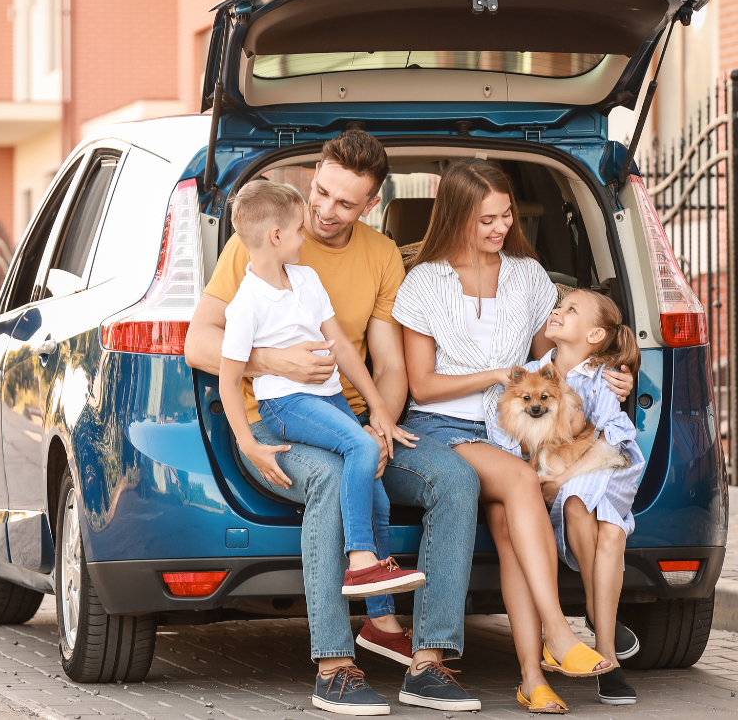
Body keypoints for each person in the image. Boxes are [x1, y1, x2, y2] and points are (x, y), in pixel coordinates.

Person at [185, 131, 483, 716]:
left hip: (350, 417)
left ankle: (428, 660)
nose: (324, 211)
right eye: (320, 192)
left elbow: (390, 363)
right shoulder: (262, 242)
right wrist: (273, 361)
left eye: (344, 203)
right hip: (278, 426)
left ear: (370, 205)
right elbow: (198, 342)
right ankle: (334, 666)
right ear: (314, 173)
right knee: (329, 475)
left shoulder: (381, 255)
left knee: (456, 480)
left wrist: (382, 424)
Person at [393, 159, 634, 715]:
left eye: (506, 216)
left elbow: (553, 360)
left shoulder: (528, 276)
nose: (500, 228)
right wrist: (497, 375)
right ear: (455, 216)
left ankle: (532, 679)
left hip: (515, 434)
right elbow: (423, 388)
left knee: (507, 525)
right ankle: (558, 634)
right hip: (445, 427)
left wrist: (610, 372)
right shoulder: (423, 284)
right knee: (523, 483)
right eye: (486, 220)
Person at [219, 179, 425, 606]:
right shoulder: (246, 303)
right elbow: (227, 378)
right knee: (363, 451)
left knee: (378, 495)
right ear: (277, 237)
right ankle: (360, 560)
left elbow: (343, 348)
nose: (305, 236)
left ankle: (379, 615)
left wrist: (377, 407)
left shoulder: (307, 279)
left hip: (329, 398)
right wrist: (248, 444)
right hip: (286, 405)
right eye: (298, 230)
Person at [531, 290, 645, 706]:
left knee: (597, 515)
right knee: (586, 511)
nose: (558, 312)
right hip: (571, 477)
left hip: (608, 466)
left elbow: (614, 440)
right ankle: (605, 633)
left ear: (595, 334)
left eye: (570, 309)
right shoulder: (533, 375)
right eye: (558, 307)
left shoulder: (601, 375)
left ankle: (605, 646)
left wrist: (561, 479)